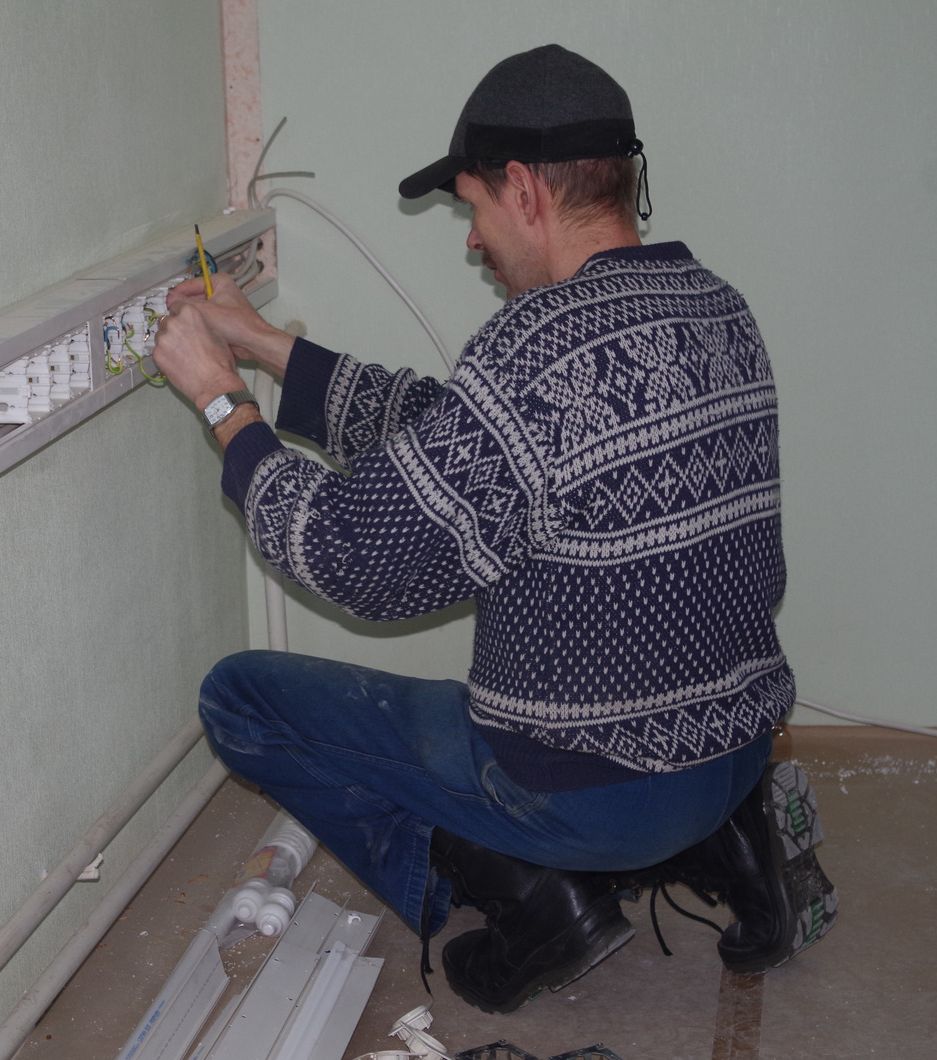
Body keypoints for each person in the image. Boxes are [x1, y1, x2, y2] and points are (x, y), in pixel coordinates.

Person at [151, 43, 837, 1014]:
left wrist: (223, 403)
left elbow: (352, 557)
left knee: (240, 697)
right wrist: (263, 347)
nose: (473, 241)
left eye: (471, 206)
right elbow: (456, 432)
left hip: (593, 790)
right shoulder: (715, 307)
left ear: (523, 188)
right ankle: (730, 843)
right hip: (733, 749)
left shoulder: (536, 349)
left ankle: (533, 897)